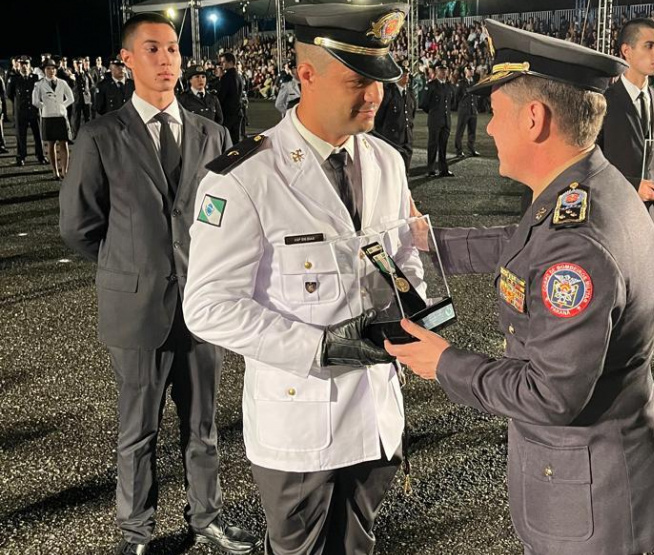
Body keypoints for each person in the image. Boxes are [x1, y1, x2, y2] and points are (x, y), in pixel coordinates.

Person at [386, 19, 654, 555]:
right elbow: (525, 245)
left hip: (591, 503)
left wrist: (443, 362)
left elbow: (551, 394)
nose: (490, 129)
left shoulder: (580, 240)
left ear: (535, 118)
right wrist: (435, 241)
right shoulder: (586, 187)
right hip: (606, 475)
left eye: (495, 115)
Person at [182, 3, 418, 554]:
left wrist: (418, 308)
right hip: (301, 423)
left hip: (376, 413)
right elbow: (208, 305)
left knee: (359, 546)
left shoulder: (386, 161)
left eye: (380, 79)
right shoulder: (244, 177)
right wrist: (321, 347)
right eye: (357, 80)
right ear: (305, 74)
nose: (375, 95)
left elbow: (401, 259)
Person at [58, 13, 258, 555]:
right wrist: (129, 264)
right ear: (126, 61)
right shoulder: (100, 136)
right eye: (153, 49)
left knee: (204, 427)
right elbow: (78, 225)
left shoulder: (212, 132)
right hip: (137, 309)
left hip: (201, 306)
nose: (167, 59)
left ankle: (207, 518)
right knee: (137, 433)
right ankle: (136, 534)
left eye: (173, 48)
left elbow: (229, 214)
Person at [600, 18, 654, 228]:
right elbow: (588, 164)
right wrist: (633, 186)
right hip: (613, 217)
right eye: (649, 46)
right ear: (626, 50)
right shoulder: (602, 101)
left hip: (650, 221)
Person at [32, 59, 74, 180]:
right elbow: (35, 101)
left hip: (60, 116)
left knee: (64, 143)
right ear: (44, 70)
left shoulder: (62, 83)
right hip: (47, 116)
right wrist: (44, 107)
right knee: (50, 145)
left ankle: (65, 171)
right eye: (48, 68)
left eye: (53, 68)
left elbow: (71, 98)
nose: (51, 71)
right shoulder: (39, 84)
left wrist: (62, 106)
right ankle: (55, 171)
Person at [374, 64, 416, 171]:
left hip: (407, 137)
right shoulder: (388, 92)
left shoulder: (410, 93)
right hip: (392, 139)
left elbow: (411, 114)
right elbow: (379, 117)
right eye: (403, 74)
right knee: (391, 169)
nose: (406, 76)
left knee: (405, 169)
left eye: (407, 74)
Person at [7, 56, 47, 166]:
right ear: (18, 65)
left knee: (38, 135)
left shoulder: (35, 77)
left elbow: (40, 92)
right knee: (21, 136)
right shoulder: (14, 78)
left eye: (27, 64)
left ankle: (41, 155)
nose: (24, 66)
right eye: (22, 64)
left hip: (34, 110)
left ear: (30, 65)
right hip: (21, 112)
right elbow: (10, 94)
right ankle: (21, 157)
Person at [421, 62, 455, 177]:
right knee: (433, 145)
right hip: (435, 120)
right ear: (436, 71)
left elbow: (452, 102)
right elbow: (424, 104)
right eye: (441, 70)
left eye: (445, 70)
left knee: (443, 145)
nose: (444, 72)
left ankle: (443, 169)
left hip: (446, 120)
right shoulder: (431, 85)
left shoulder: (448, 86)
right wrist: (433, 113)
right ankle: (430, 168)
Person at [217, 52, 245, 143]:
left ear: (230, 62)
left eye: (223, 62)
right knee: (236, 141)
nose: (221, 64)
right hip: (238, 112)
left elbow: (221, 96)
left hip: (228, 114)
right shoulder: (239, 76)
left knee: (227, 141)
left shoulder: (226, 77)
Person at [454, 67, 479, 157]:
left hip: (472, 109)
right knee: (460, 131)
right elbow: (457, 96)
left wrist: (475, 107)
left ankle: (471, 148)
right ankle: (459, 150)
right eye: (469, 70)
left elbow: (475, 96)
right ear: (465, 72)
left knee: (472, 131)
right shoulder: (462, 83)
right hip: (464, 110)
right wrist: (462, 104)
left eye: (472, 70)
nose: (471, 71)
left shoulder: (474, 83)